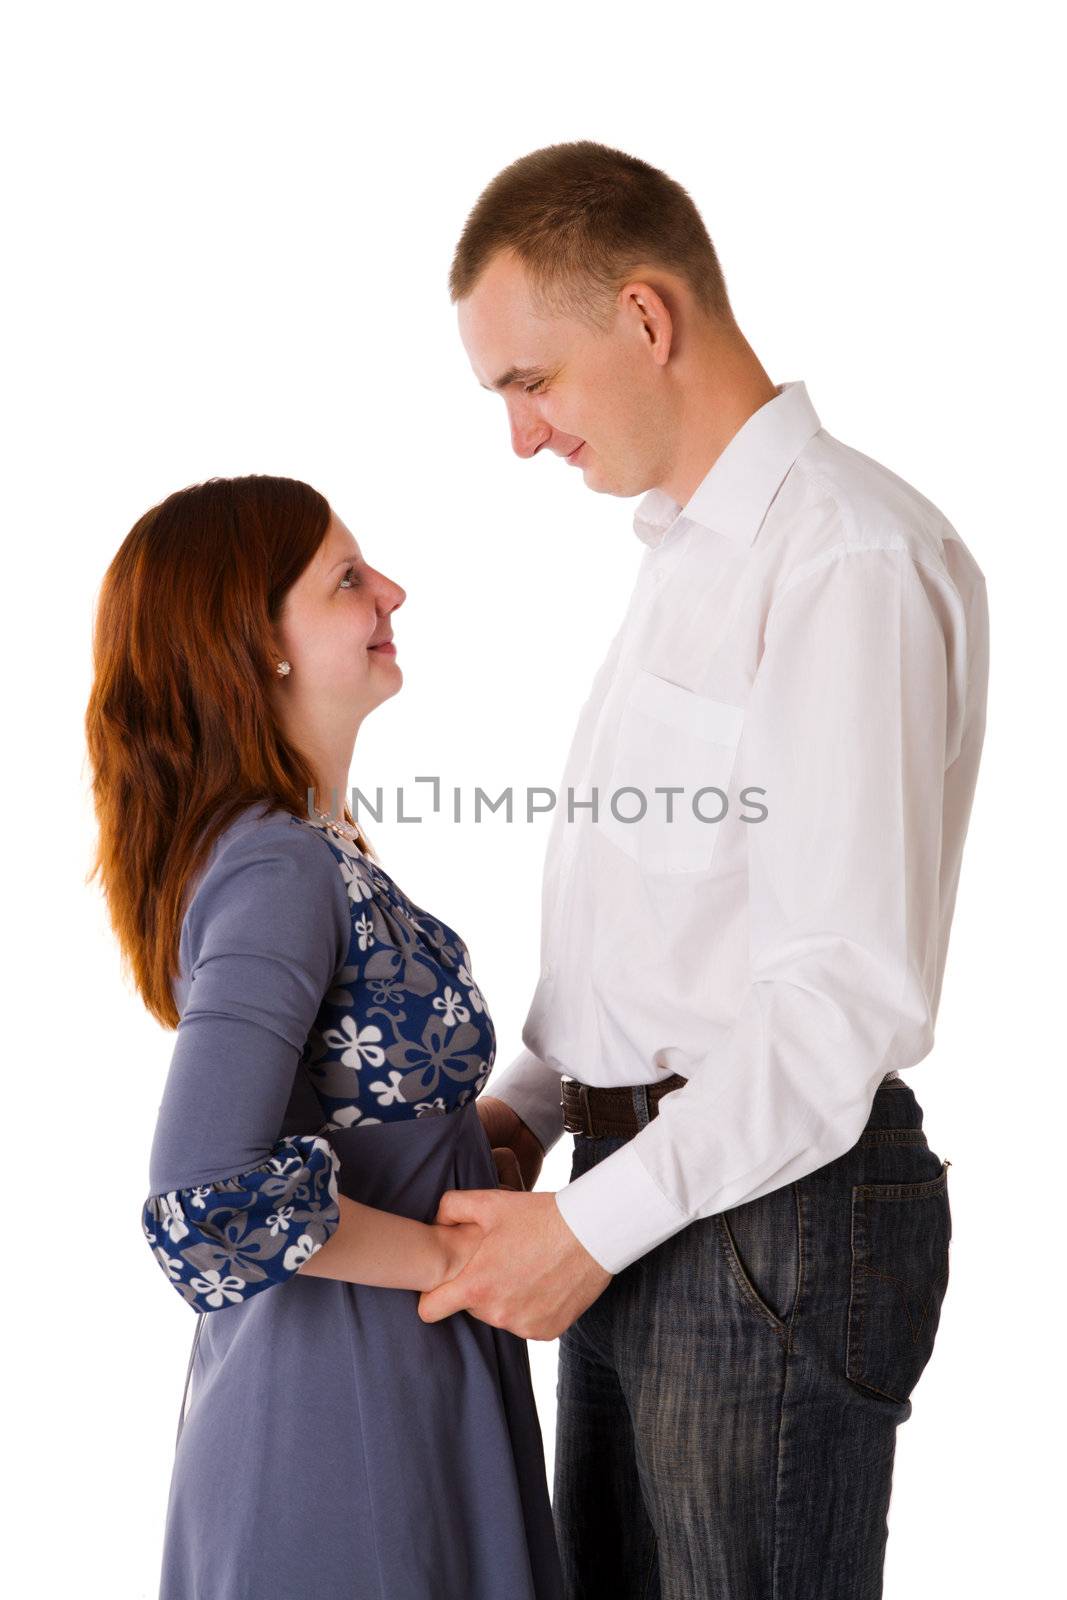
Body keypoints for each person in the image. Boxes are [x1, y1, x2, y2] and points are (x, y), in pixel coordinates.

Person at [418, 140, 990, 1598]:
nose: (523, 437)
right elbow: (661, 919)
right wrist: (534, 1109)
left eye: (527, 382)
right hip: (643, 1198)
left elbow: (832, 1010)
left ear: (644, 317)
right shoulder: (686, 554)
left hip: (763, 1225)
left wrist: (586, 1226)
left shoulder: (842, 560)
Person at [85, 476, 565, 1599]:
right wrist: (455, 1259)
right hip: (343, 1413)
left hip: (390, 1380)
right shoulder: (276, 864)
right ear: (257, 647)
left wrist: (494, 1141)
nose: (389, 591)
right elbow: (203, 1195)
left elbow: (354, 1115)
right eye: (347, 579)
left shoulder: (307, 848)